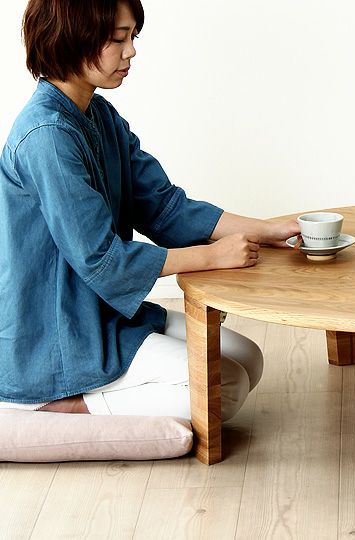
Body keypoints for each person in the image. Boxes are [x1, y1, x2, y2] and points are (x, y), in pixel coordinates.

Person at [0, 0, 299, 419]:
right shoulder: (45, 135)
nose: (131, 51)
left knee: (247, 358)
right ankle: (63, 405)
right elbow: (103, 261)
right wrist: (212, 256)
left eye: (133, 37)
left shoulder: (99, 115)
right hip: (56, 337)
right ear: (71, 39)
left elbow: (164, 206)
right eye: (117, 39)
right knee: (225, 386)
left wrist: (268, 230)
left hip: (103, 311)